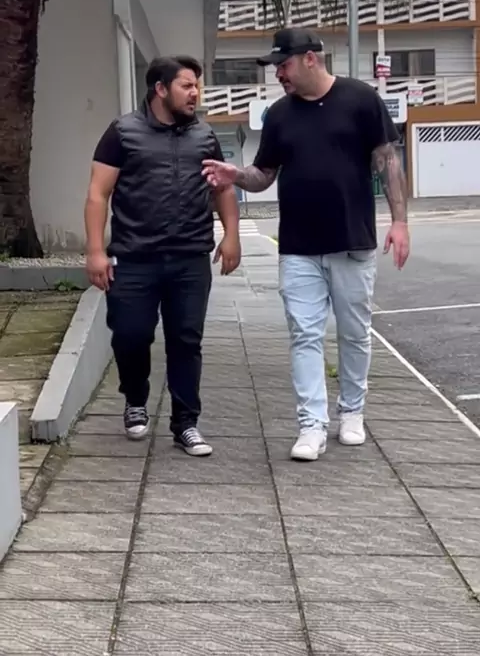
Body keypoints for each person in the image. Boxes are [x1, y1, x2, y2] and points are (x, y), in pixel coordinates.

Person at [202, 28, 409, 461]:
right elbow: (264, 175)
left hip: (352, 242)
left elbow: (387, 160)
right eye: (276, 67)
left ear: (310, 59)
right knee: (304, 335)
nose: (278, 74)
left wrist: (400, 222)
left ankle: (352, 412)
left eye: (284, 65)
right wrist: (235, 175)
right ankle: (311, 425)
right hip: (298, 247)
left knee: (354, 333)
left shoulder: (361, 99)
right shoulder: (279, 115)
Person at [84, 56, 241, 456]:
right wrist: (96, 251)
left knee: (186, 341)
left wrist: (232, 236)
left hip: (190, 257)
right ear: (160, 89)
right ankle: (135, 398)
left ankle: (186, 423)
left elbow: (222, 189)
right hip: (135, 258)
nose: (195, 94)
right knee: (130, 335)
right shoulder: (122, 132)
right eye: (186, 86)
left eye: (196, 86)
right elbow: (98, 193)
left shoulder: (204, 135)